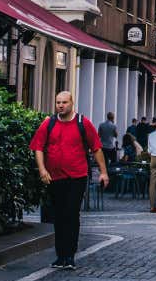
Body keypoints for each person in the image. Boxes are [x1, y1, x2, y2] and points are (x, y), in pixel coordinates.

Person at [28, 91, 108, 271]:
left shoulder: (83, 123)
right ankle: (60, 256)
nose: (61, 105)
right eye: (58, 102)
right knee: (58, 215)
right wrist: (42, 169)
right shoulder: (49, 123)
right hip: (55, 177)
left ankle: (70, 255)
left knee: (71, 214)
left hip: (77, 176)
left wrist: (103, 172)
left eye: (64, 102)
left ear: (72, 103)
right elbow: (38, 147)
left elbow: (96, 148)